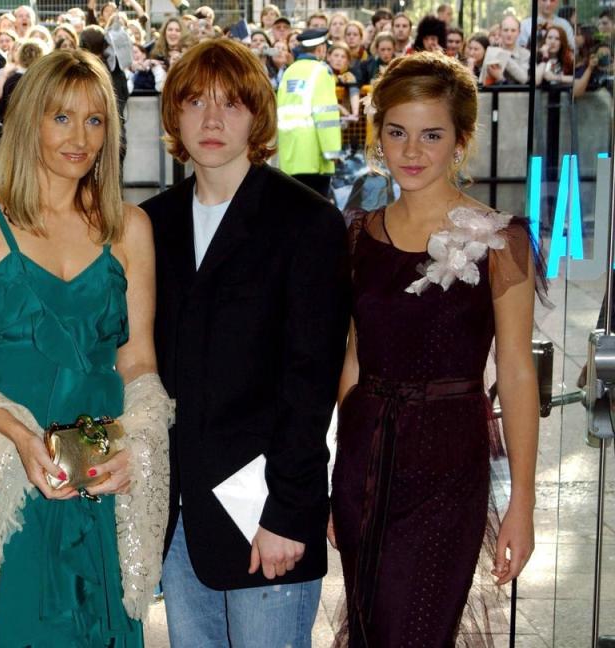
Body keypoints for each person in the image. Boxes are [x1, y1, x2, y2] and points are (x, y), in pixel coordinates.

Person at [0, 47, 171, 647]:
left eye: (95, 119)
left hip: (97, 477)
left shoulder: (130, 227)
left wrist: (134, 443)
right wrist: (21, 437)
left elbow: (137, 359)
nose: (79, 137)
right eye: (61, 117)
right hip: (7, 475)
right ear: (29, 120)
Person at [142, 37, 350, 648]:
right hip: (180, 514)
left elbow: (311, 384)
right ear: (173, 115)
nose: (212, 120)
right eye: (195, 103)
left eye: (231, 104)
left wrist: (287, 511)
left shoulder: (306, 222)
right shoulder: (152, 222)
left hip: (265, 512)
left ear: (257, 116)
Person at [330, 51, 540, 645]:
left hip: (450, 469)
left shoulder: (501, 240)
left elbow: (519, 373)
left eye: (431, 134)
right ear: (379, 137)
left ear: (461, 140)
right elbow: (352, 360)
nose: (412, 151)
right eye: (397, 133)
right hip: (363, 466)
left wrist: (520, 502)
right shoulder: (356, 235)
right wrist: (335, 478)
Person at [277, 28, 342, 198]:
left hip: (288, 158)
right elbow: (326, 114)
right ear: (320, 49)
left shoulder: (289, 71)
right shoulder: (321, 71)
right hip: (314, 159)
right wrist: (332, 151)